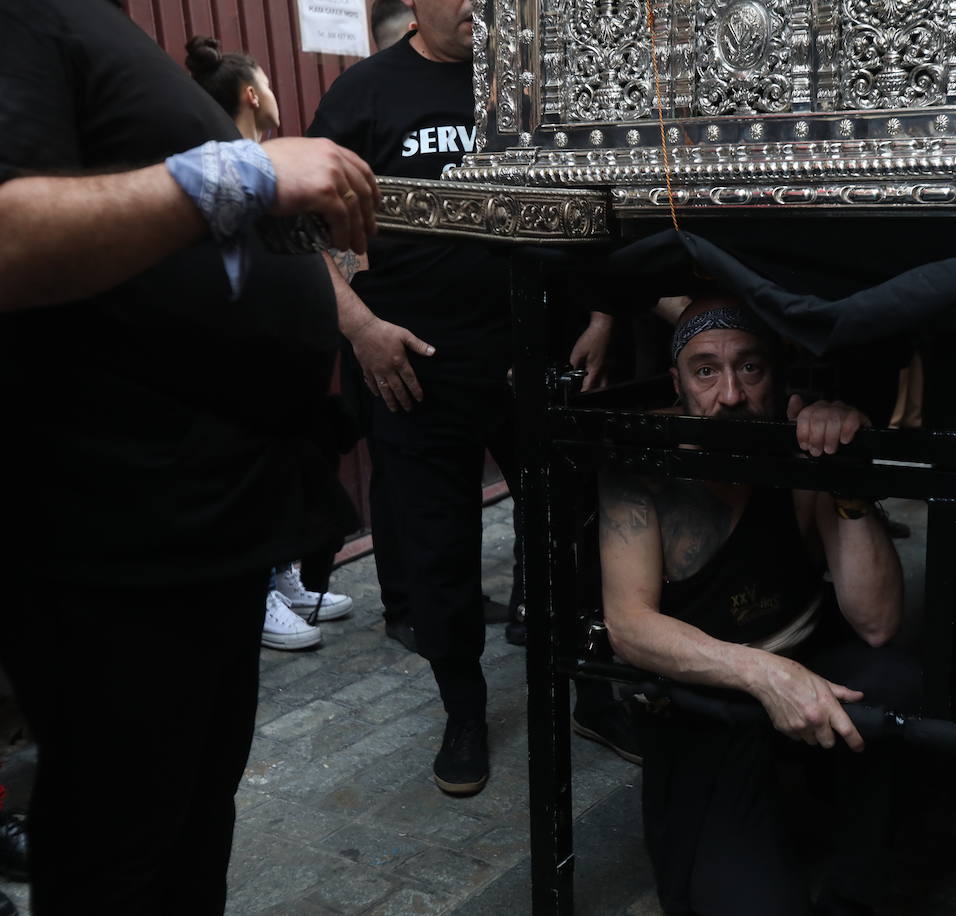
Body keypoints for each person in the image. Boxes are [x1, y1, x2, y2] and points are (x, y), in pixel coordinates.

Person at [0, 0, 377, 910]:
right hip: (118, 535)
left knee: (190, 830)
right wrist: (243, 172)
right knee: (119, 853)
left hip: (207, 523)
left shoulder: (101, 27)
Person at [309, 0, 628, 797]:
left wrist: (603, 313)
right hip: (417, 371)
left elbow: (598, 194)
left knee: (570, 537)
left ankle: (591, 691)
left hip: (538, 358)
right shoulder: (365, 94)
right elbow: (301, 233)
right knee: (438, 555)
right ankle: (464, 712)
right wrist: (361, 328)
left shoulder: (534, 88)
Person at [598, 295, 919, 915]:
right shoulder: (644, 464)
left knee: (896, 681)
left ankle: (854, 887)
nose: (730, 396)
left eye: (750, 368)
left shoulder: (796, 450)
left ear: (777, 374)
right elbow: (630, 627)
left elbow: (878, 623)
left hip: (808, 655)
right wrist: (764, 674)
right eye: (706, 371)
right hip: (706, 701)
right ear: (678, 382)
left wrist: (845, 475)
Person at [185, 34, 358, 652]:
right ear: (253, 93)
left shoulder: (276, 165)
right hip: (240, 367)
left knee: (289, 473)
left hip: (286, 374)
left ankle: (281, 574)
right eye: (272, 84)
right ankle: (255, 591)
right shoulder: (226, 168)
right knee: (249, 474)